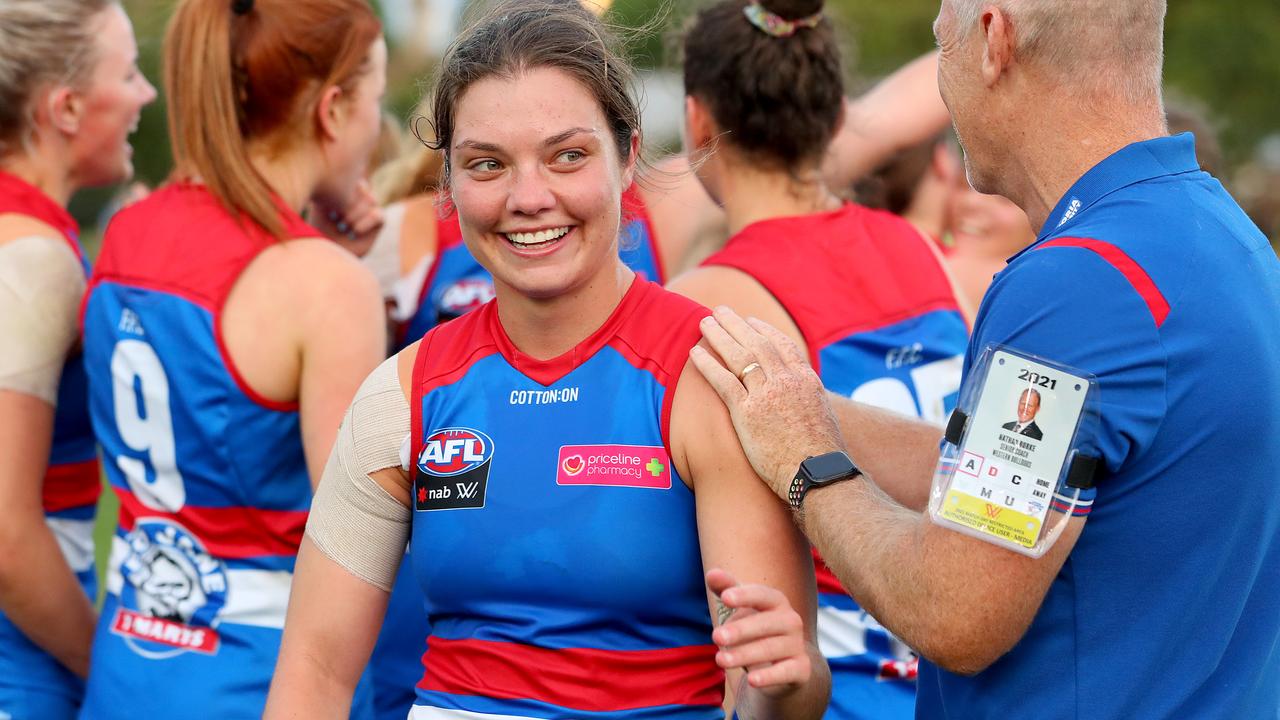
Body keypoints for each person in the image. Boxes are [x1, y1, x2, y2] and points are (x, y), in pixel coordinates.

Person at [689, 0, 1280, 717]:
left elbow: (954, 613)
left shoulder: (1080, 283)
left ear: (994, 39)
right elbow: (1035, 480)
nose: (942, 85)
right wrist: (790, 408)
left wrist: (805, 460)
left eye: (943, 47)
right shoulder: (1220, 232)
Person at [264, 3, 830, 719]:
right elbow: (313, 672)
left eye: (568, 155)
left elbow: (779, 690)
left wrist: (783, 684)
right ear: (446, 184)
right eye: (487, 164)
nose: (529, 198)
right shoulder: (403, 394)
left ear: (627, 157)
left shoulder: (707, 376)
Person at [79, 0, 387, 717]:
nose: (378, 128)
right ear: (333, 110)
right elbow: (362, 547)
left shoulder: (127, 231)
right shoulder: (324, 285)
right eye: (373, 100)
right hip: (266, 680)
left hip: (130, 671)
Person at [666, 2, 968, 718]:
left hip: (842, 686)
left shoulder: (712, 299)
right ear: (835, 119)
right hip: (951, 673)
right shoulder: (914, 246)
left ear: (698, 121)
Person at [0, 2, 156, 717]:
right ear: (64, 108)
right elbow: (5, 534)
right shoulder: (30, 256)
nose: (145, 94)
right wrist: (111, 671)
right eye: (127, 72)